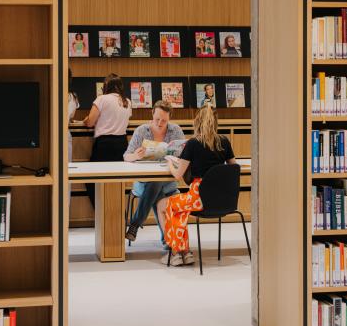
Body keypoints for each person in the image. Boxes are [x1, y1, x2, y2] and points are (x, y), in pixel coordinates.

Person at [156, 105, 236, 266]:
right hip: (221, 199)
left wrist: (170, 162)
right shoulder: (224, 141)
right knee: (179, 209)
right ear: (215, 122)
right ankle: (185, 252)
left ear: (197, 122)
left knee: (163, 205)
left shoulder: (193, 143)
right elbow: (234, 167)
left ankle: (175, 252)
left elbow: (178, 174)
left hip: (198, 198)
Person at [123, 101, 185, 246]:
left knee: (156, 186)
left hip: (168, 182)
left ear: (169, 118)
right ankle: (168, 239)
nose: (159, 123)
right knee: (155, 185)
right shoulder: (141, 131)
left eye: (164, 120)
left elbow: (184, 155)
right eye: (157, 119)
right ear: (152, 114)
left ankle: (135, 224)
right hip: (143, 183)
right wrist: (136, 156)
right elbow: (126, 156)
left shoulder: (176, 131)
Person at [83, 73, 132, 206]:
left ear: (106, 86)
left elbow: (90, 122)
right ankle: (118, 213)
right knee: (117, 182)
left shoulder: (101, 99)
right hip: (122, 144)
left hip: (104, 144)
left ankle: (100, 210)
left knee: (92, 179)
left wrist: (86, 119)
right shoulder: (127, 102)